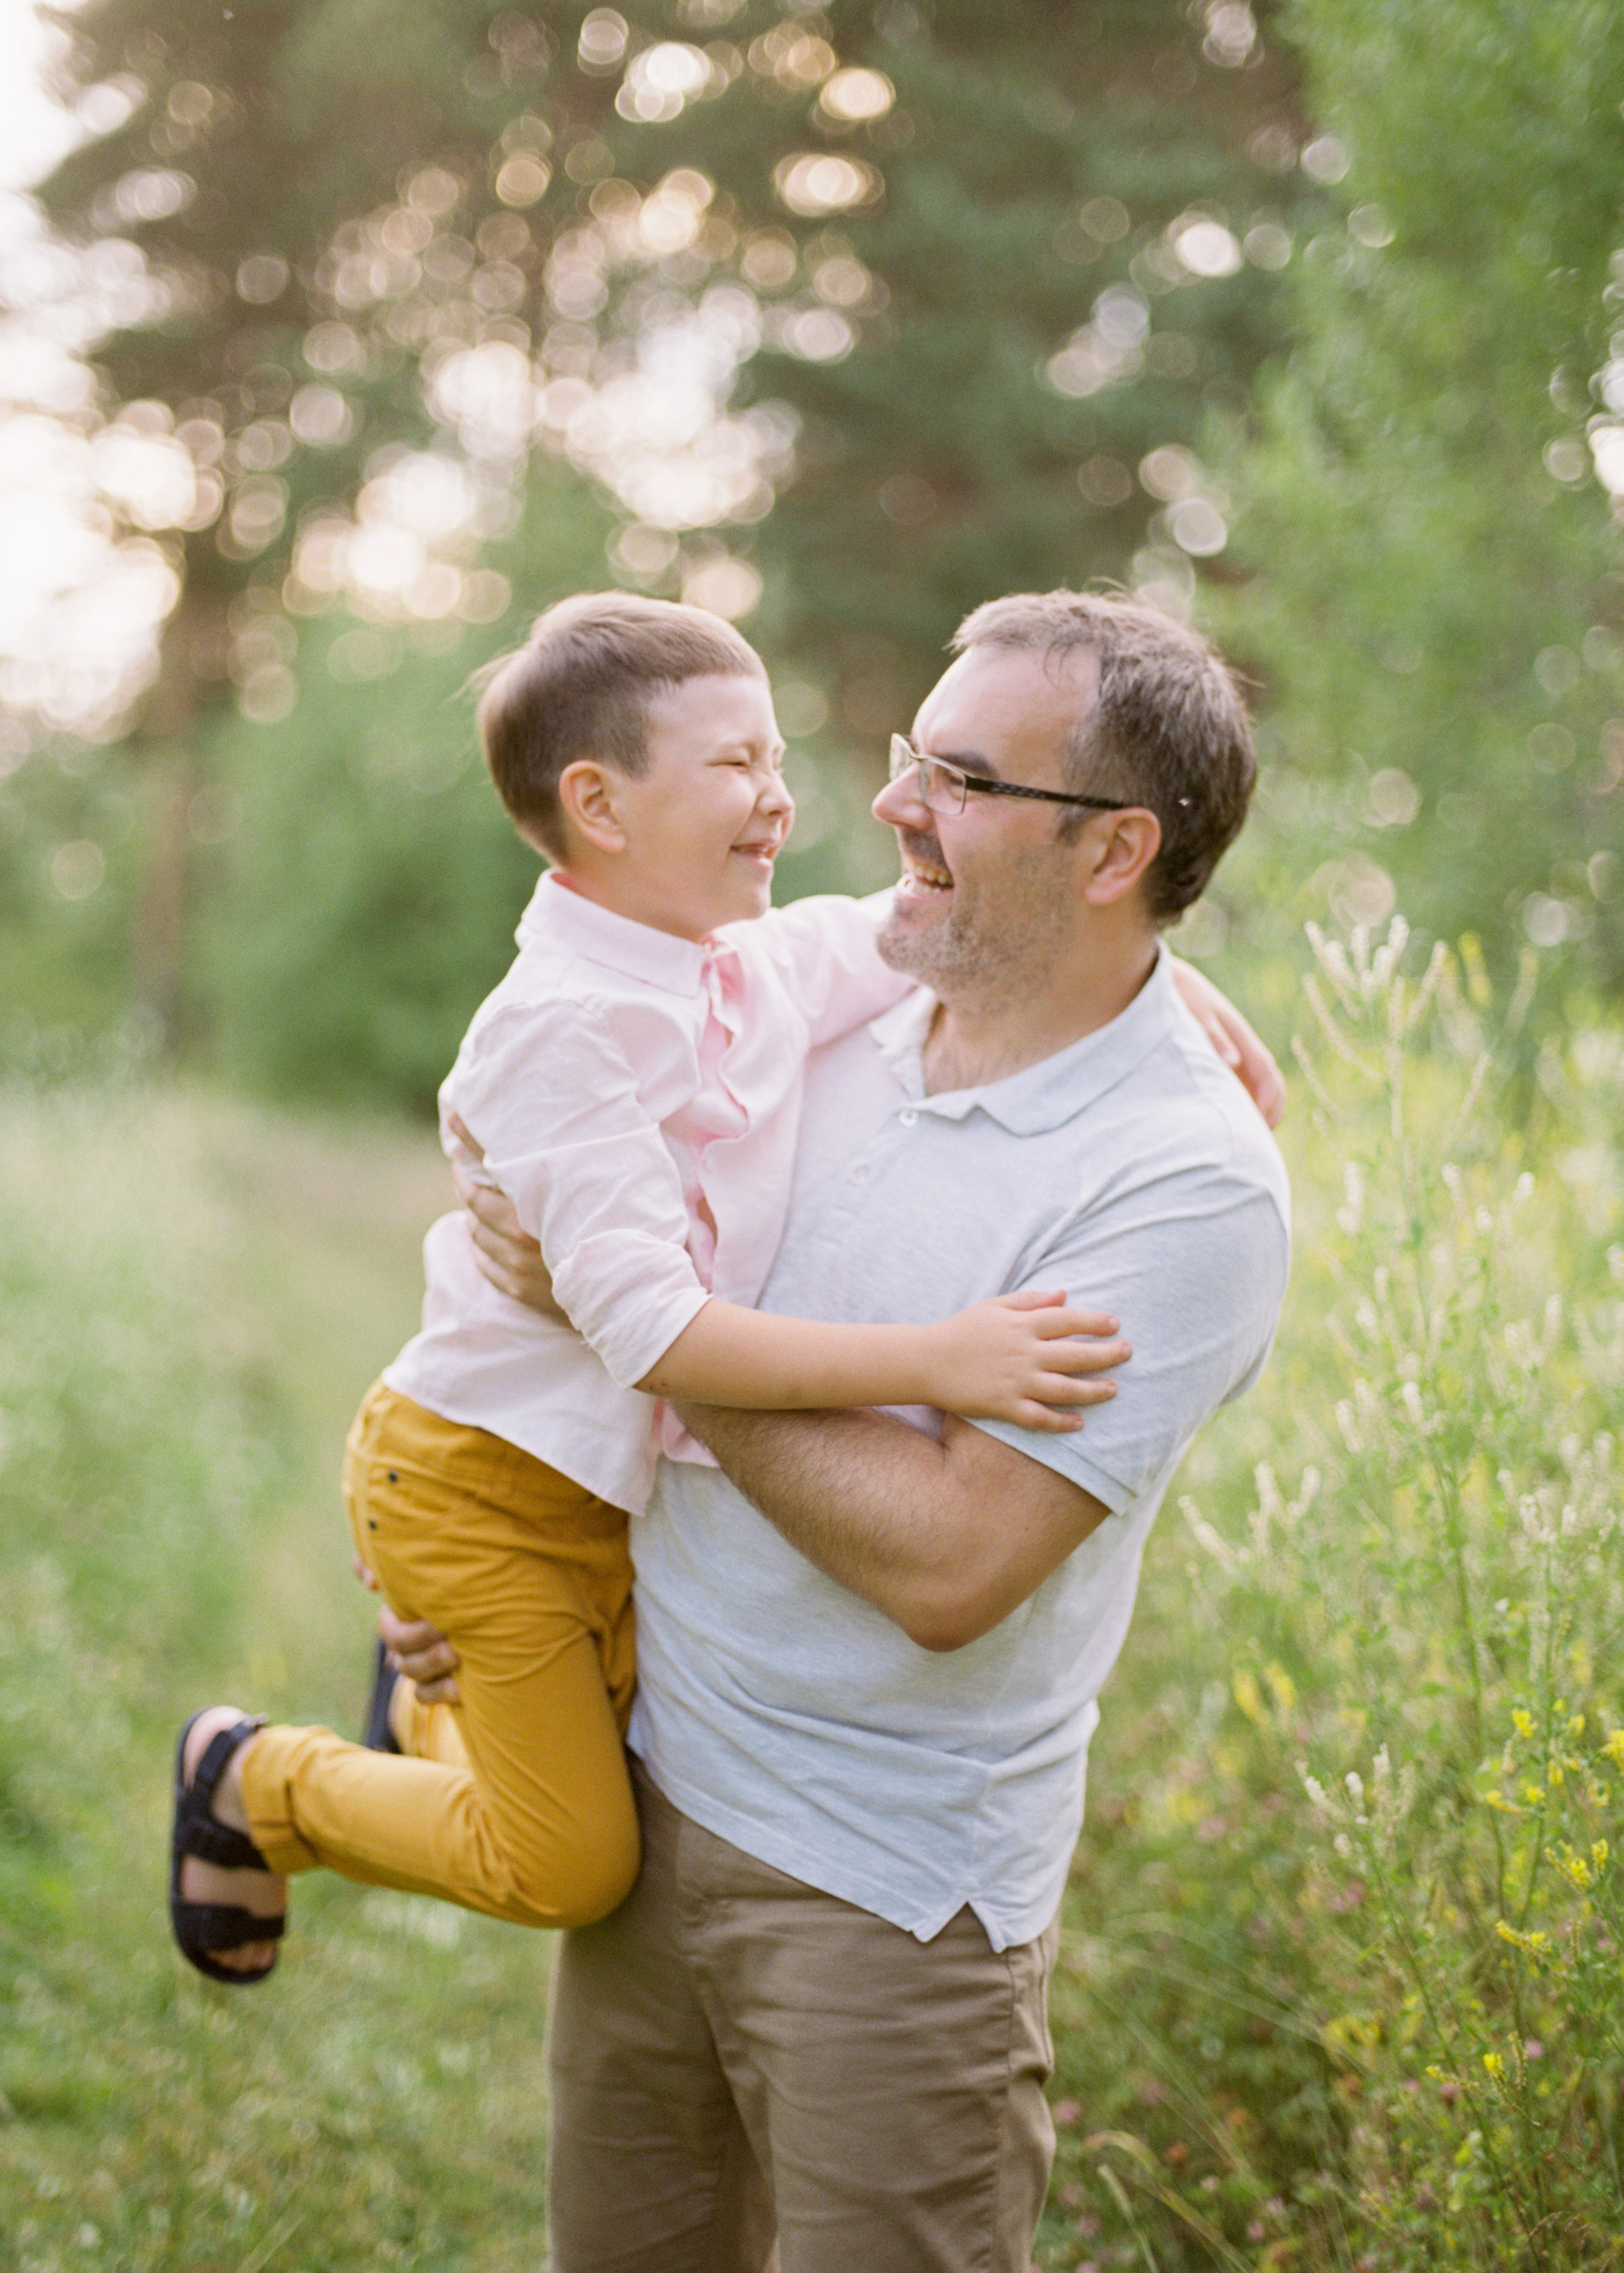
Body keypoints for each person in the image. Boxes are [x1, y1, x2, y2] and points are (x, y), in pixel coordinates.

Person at [392, 589, 1293, 2272]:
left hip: (885, 1899)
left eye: (951, 775)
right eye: (901, 757)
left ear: (1111, 855)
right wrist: (515, 1583)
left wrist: (636, 1326)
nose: (885, 806)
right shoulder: (856, 993)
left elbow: (950, 1563)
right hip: (651, 1785)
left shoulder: (1182, 1185)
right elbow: (579, 1100)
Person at [167, 593, 1140, 1986]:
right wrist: (937, 1359)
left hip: (586, 1488)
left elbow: (947, 927)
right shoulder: (559, 1032)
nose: (782, 801)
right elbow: (654, 1333)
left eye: (776, 760)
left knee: (604, 1773)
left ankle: (425, 1711)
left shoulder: (734, 961)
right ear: (598, 805)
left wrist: (1169, 989)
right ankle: (255, 1782)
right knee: (570, 1861)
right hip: (483, 1475)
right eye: (736, 765)